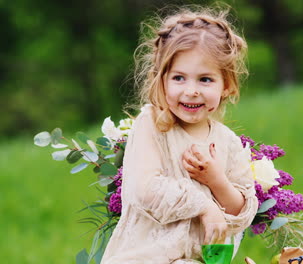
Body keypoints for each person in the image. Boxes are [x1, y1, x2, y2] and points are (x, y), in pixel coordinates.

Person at [101, 6, 258, 264]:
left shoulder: (227, 141)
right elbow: (145, 189)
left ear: (226, 85)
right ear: (161, 80)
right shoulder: (151, 125)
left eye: (205, 79)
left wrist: (216, 180)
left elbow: (241, 211)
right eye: (179, 78)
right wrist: (205, 206)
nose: (191, 90)